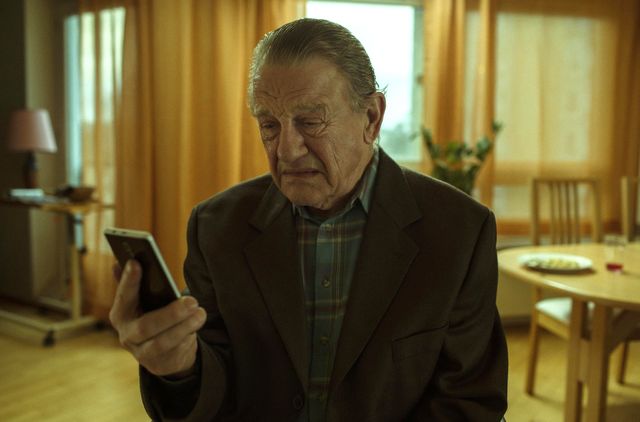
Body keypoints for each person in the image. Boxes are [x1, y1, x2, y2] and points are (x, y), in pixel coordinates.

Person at [109, 18, 508, 421]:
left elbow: (469, 402)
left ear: (371, 118)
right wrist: (179, 369)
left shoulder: (460, 231)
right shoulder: (215, 227)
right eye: (269, 125)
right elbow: (215, 389)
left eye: (310, 121)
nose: (286, 150)